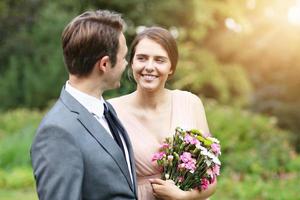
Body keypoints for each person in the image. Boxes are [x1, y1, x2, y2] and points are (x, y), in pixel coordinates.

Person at [30, 10, 138, 200]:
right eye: (123, 57)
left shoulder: (107, 110)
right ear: (104, 64)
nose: (125, 64)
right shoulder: (57, 132)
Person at [109, 27, 217, 200]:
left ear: (171, 68)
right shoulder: (110, 111)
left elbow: (210, 178)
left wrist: (183, 197)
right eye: (142, 58)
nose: (149, 67)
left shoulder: (190, 103)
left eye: (159, 60)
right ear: (132, 63)